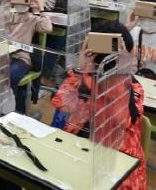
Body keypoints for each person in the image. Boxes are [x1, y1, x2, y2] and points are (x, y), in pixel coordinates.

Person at [51, 20, 146, 190]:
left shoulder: (134, 88)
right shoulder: (86, 77)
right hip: (80, 148)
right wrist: (79, 69)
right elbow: (61, 103)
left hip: (118, 162)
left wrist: (121, 75)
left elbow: (121, 120)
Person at [3, 0, 53, 113]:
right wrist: (7, 0)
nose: (20, 1)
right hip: (5, 56)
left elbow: (47, 28)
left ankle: (14, 112)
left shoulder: (33, 19)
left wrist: (38, 5)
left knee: (12, 75)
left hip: (22, 58)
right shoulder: (9, 16)